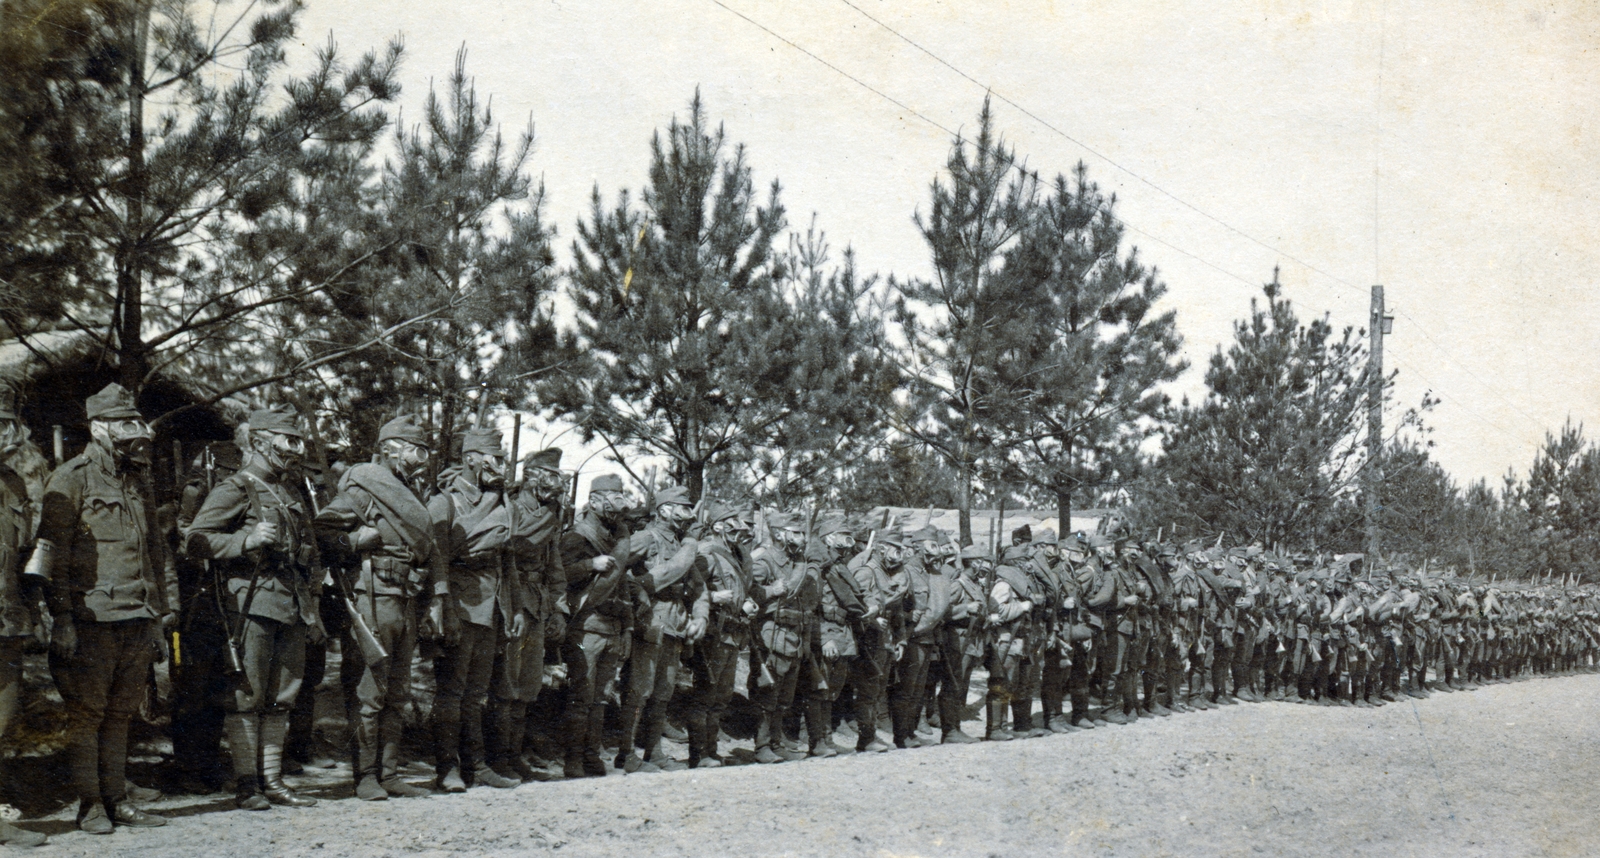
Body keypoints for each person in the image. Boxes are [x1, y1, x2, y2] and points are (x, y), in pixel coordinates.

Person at [32, 383, 172, 833]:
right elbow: (53, 553)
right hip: (92, 619)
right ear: (98, 428)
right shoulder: (71, 477)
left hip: (136, 615)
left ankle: (118, 798)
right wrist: (64, 620)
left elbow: (153, 551)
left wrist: (159, 616)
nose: (134, 432)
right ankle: (90, 803)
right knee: (88, 714)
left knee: (121, 714)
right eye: (122, 424)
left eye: (135, 422)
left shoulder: (137, 480)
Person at [185, 405, 324, 811]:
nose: (294, 450)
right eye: (288, 440)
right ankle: (248, 783)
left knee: (282, 695)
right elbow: (195, 540)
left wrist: (312, 602)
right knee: (247, 694)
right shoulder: (235, 488)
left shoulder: (291, 492)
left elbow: (310, 552)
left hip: (292, 604)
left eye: (297, 441)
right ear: (262, 442)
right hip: (250, 603)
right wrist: (244, 542)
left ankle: (274, 780)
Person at [314, 415, 454, 801]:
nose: (420, 457)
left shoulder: (414, 493)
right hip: (371, 599)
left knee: (398, 692)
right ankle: (365, 776)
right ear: (390, 449)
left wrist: (435, 599)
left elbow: (431, 551)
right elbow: (324, 530)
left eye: (423, 450)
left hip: (406, 600)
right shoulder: (365, 487)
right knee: (369, 691)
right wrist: (359, 539)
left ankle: (390, 773)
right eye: (414, 449)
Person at [429, 427, 519, 792]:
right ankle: (447, 768)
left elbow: (507, 561)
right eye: (493, 459)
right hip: (460, 605)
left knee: (475, 694)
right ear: (470, 459)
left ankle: (477, 766)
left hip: (491, 607)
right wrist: (443, 606)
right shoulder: (444, 502)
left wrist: (513, 608)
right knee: (451, 692)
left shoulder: (500, 501)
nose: (499, 466)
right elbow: (437, 558)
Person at [615, 485, 704, 773]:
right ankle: (626, 754)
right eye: (683, 507)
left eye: (690, 508)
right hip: (649, 622)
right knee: (639, 689)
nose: (688, 514)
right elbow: (617, 570)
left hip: (674, 624)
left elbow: (699, 588)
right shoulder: (645, 538)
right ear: (664, 509)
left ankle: (654, 752)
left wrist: (700, 618)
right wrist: (637, 592)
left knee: (663, 692)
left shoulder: (680, 544)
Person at [492, 448, 568, 781]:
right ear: (531, 475)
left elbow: (555, 566)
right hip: (511, 599)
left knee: (528, 684)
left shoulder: (551, 514)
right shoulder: (509, 507)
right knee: (507, 683)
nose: (554, 483)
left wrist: (552, 606)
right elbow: (509, 550)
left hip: (537, 604)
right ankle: (497, 757)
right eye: (548, 475)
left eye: (557, 476)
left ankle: (514, 754)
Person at [555, 474, 632, 779]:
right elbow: (560, 575)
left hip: (611, 627)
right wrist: (590, 565)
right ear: (596, 500)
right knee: (581, 696)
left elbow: (622, 586)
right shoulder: (577, 536)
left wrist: (627, 627)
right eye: (611, 499)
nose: (615, 508)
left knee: (600, 699)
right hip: (585, 625)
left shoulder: (618, 539)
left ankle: (591, 755)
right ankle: (573, 759)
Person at [0, 406, 46, 847]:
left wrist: (34, 607)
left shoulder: (14, 483)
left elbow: (26, 550)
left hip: (7, 619)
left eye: (5, 424)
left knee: (2, 717)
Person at [684, 503, 753, 768]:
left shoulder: (734, 555)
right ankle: (698, 754)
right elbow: (689, 588)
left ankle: (710, 752)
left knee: (721, 697)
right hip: (712, 633)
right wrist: (712, 596)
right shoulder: (706, 553)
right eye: (733, 527)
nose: (739, 534)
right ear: (719, 527)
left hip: (731, 634)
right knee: (705, 695)